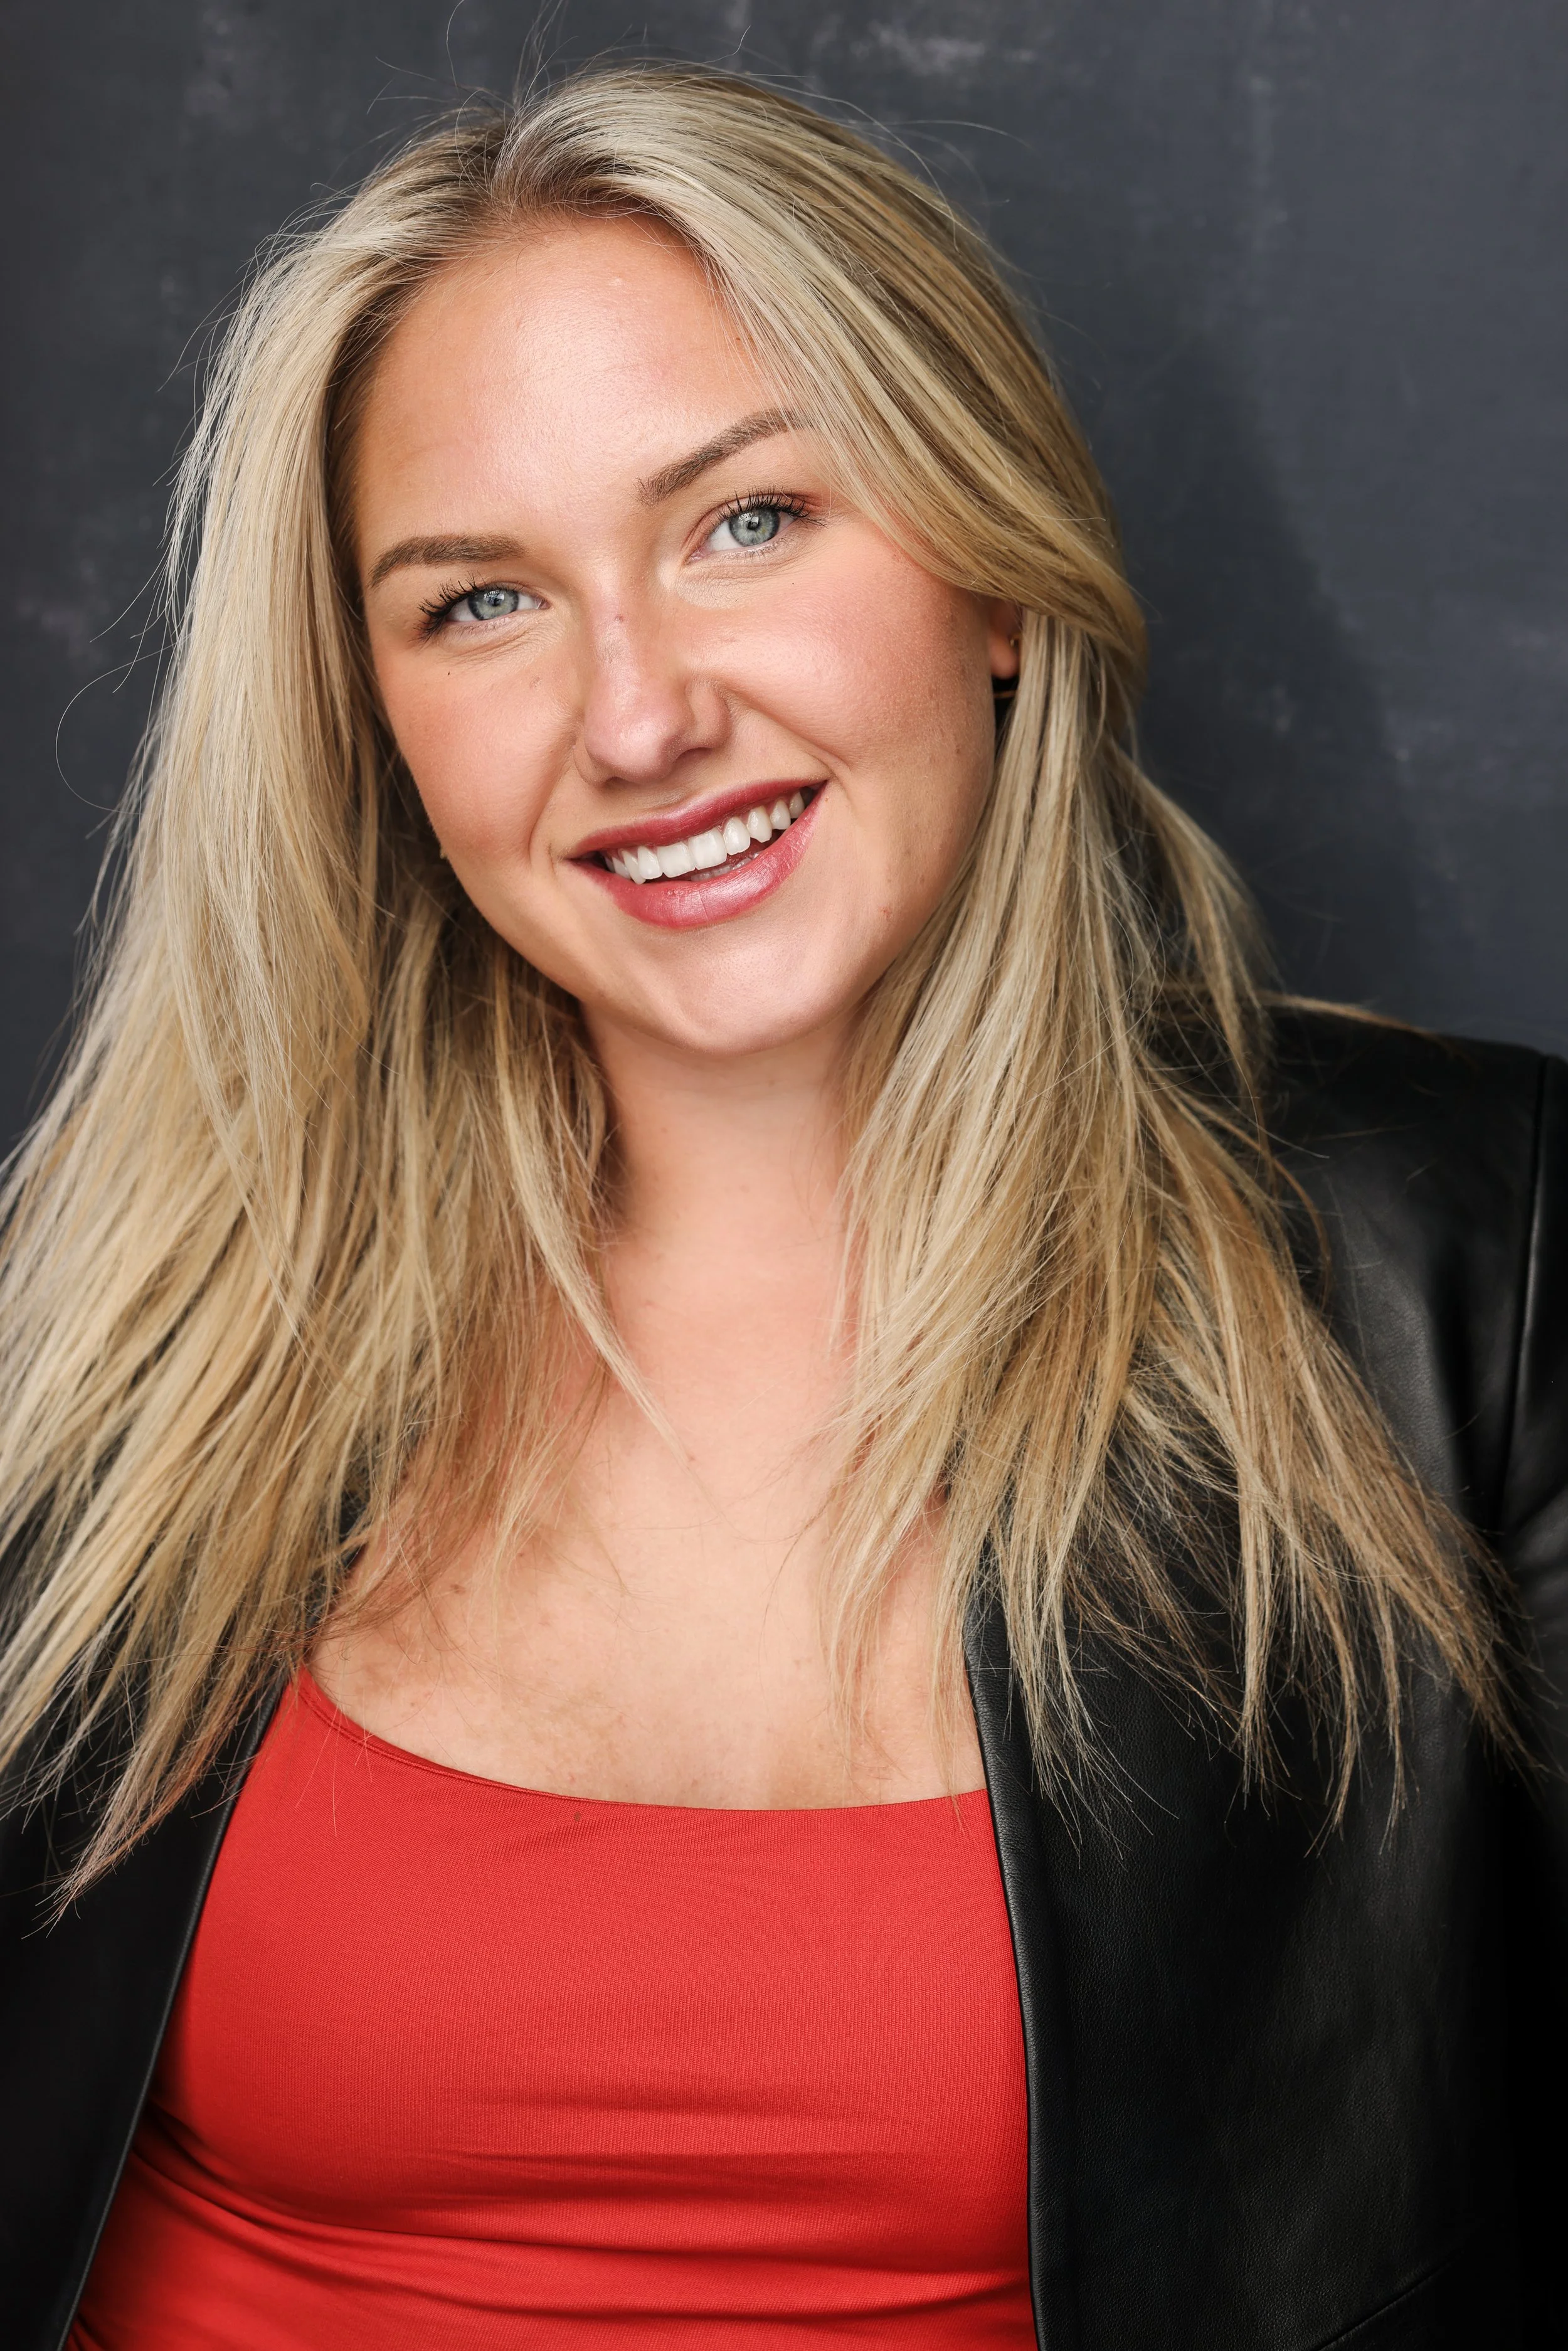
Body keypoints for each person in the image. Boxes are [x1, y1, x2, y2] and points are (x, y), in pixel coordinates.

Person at [0, 61, 1561, 2351]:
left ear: (991, 568)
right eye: (479, 602)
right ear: (372, 724)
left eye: (747, 521)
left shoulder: (1472, 1277)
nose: (637, 717)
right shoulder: (113, 1329)